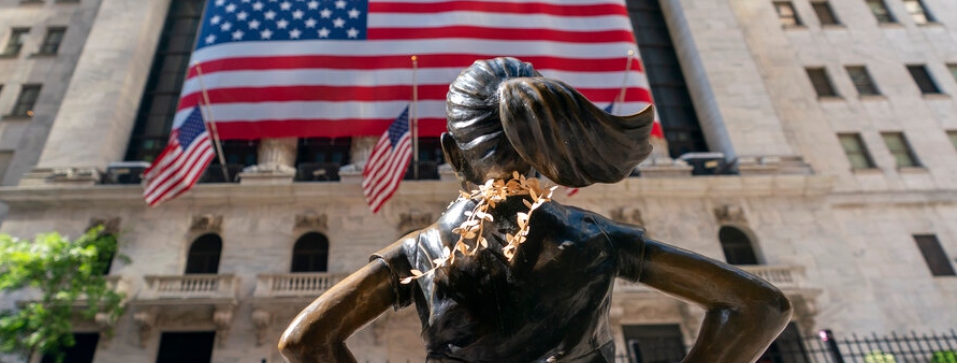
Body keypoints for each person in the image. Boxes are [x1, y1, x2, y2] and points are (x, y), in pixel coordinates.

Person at [280, 57, 791, 362]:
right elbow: (761, 306)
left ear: (453, 154)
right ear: (546, 151)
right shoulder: (596, 239)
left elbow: (305, 341)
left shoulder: (422, 253)